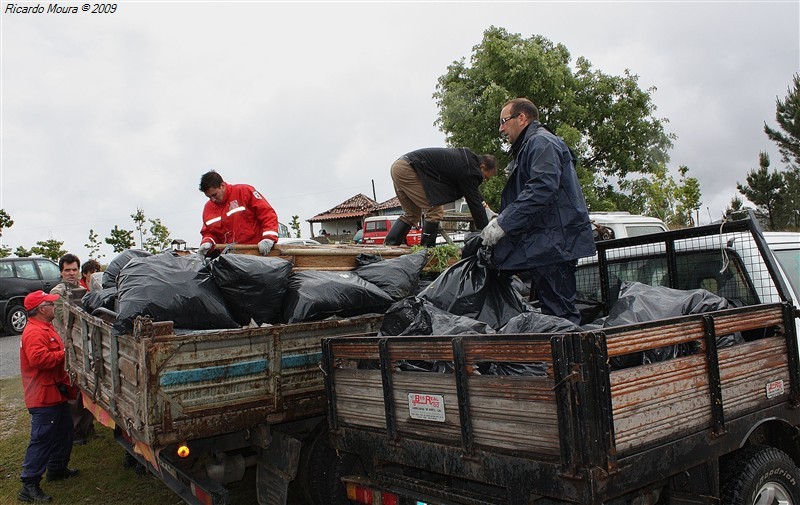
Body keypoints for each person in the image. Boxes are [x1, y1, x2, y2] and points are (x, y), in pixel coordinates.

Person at [480, 98, 596, 324]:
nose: (501, 128)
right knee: (555, 311)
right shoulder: (532, 145)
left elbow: (542, 188)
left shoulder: (541, 143)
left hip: (554, 244)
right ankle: (564, 356)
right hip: (548, 244)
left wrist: (504, 223)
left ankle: (572, 359)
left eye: (504, 121)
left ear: (522, 118)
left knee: (560, 314)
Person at [18, 290, 80, 503]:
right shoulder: (35, 332)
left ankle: (57, 469)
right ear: (41, 309)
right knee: (42, 439)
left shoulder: (44, 327)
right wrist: (67, 354)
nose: (54, 307)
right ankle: (29, 484)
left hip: (53, 393)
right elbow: (38, 360)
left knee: (64, 432)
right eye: (50, 304)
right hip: (43, 397)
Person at [385, 148, 496, 247]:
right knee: (435, 210)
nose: (484, 180)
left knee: (412, 214)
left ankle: (389, 246)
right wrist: (485, 232)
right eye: (485, 176)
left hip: (399, 166)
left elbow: (472, 191)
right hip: (408, 170)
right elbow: (474, 204)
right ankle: (426, 253)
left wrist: (482, 202)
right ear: (482, 167)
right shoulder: (469, 169)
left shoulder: (466, 162)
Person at [51, 254, 95, 445]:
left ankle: (87, 427)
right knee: (72, 389)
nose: (71, 273)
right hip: (67, 344)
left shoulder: (81, 289)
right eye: (67, 270)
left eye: (74, 269)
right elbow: (65, 319)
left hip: (81, 344)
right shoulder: (58, 292)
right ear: (61, 272)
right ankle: (76, 432)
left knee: (86, 387)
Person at [198, 170, 279, 256]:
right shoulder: (208, 208)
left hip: (256, 253)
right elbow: (209, 232)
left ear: (222, 185)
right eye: (209, 197)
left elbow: (267, 214)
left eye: (214, 195)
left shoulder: (244, 192)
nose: (212, 200)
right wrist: (207, 241)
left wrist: (269, 238)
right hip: (230, 258)